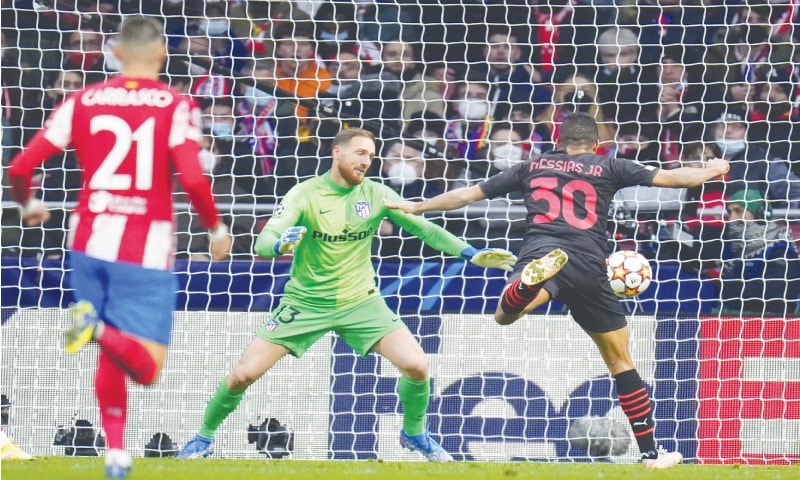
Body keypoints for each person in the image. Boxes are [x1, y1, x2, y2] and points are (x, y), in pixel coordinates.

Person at [385, 112, 731, 469]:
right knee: (621, 363)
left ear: (558, 141)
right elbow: (674, 178)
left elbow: (467, 195)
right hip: (590, 265)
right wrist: (712, 169)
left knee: (504, 316)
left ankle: (524, 289)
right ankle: (650, 454)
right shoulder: (610, 165)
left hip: (543, 253)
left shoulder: (531, 166)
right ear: (596, 144)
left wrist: (418, 205)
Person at [176, 127, 517, 462]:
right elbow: (266, 240)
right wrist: (280, 243)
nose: (366, 161)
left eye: (370, 155)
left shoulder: (375, 194)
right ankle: (203, 439)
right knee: (242, 375)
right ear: (337, 153)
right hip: (305, 304)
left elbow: (424, 228)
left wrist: (469, 252)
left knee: (417, 366)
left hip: (361, 302)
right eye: (359, 153)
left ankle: (414, 433)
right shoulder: (305, 194)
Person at [7, 16, 232, 479]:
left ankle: (115, 452)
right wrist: (214, 228)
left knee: (109, 353)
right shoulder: (175, 103)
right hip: (144, 247)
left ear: (116, 53)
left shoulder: (81, 99)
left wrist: (28, 203)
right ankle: (91, 329)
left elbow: (20, 166)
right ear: (162, 54)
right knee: (146, 368)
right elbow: (191, 176)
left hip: (87, 238)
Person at [717, 189, 799, 316]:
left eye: (738, 211)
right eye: (729, 212)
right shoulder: (732, 248)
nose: (732, 218)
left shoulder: (781, 252)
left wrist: (722, 281)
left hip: (770, 328)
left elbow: (775, 300)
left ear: (761, 214)